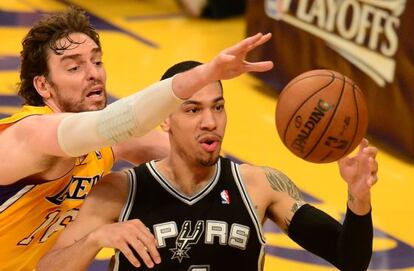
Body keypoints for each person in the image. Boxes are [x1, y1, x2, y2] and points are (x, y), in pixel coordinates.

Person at [0, 6, 274, 270]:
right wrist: (206, 74)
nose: (93, 73)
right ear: (43, 85)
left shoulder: (106, 143)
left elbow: (195, 157)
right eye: (74, 68)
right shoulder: (31, 133)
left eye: (96, 61)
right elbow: (124, 120)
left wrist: (258, 195)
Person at [37, 60, 378, 271]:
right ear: (163, 121)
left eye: (218, 107)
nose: (210, 122)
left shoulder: (259, 186)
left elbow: (350, 259)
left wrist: (358, 197)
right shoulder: (119, 191)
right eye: (192, 110)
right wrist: (96, 239)